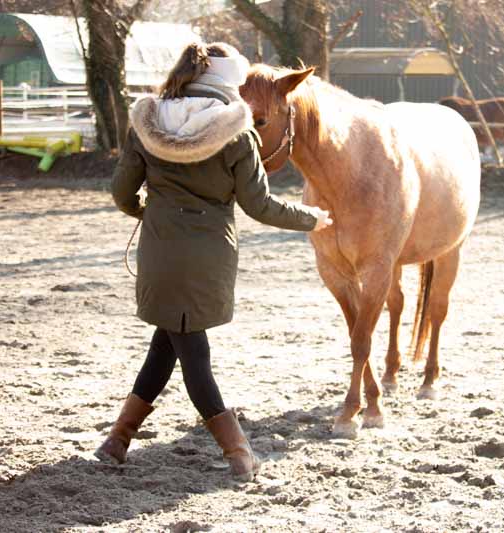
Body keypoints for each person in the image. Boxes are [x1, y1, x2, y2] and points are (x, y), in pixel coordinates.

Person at [95, 42, 332, 481]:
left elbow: (121, 192)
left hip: (159, 252)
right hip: (207, 258)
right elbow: (259, 205)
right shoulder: (238, 132)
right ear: (228, 81)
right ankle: (238, 452)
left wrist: (148, 212)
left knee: (167, 343)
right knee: (195, 357)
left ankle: (117, 440)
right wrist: (310, 218)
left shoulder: (147, 122)